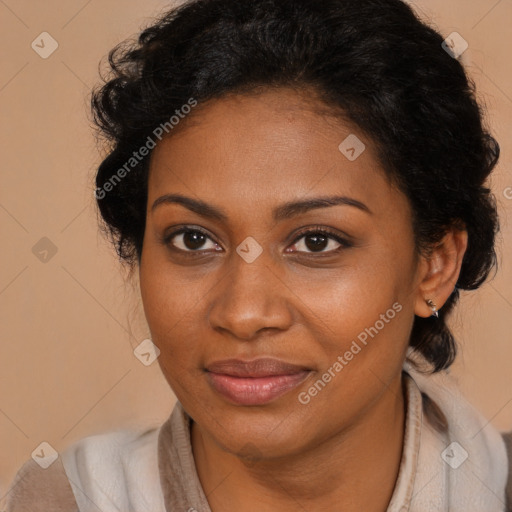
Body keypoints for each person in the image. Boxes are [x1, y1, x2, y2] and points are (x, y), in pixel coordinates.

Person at [6, 0, 512, 510]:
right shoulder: (65, 501)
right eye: (193, 239)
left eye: (317, 241)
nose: (244, 314)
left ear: (435, 266)